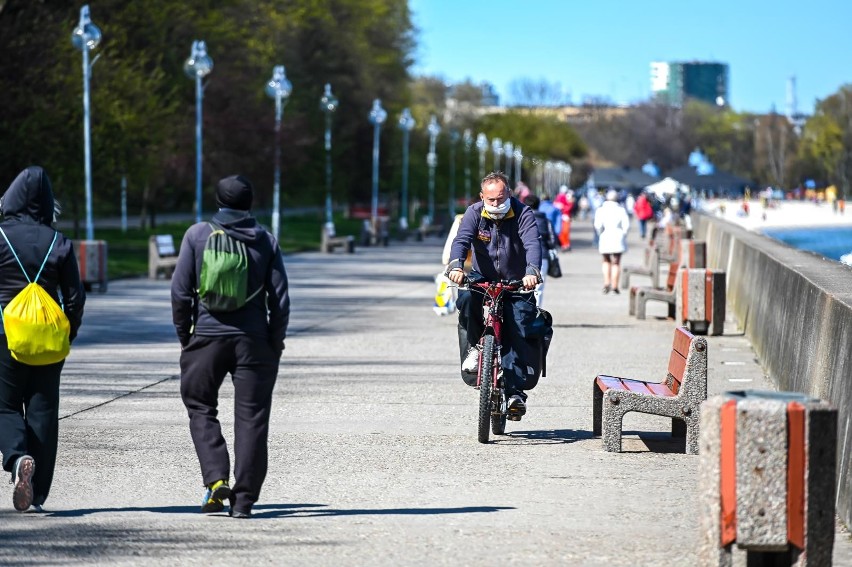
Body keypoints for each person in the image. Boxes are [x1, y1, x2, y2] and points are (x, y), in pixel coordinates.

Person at [171, 174, 289, 519]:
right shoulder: (266, 240)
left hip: (205, 337)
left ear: (218, 200)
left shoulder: (197, 235)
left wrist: (186, 337)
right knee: (252, 419)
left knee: (200, 405)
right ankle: (244, 502)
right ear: (250, 202)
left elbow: (180, 293)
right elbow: (279, 300)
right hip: (254, 342)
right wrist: (274, 343)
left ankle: (216, 478)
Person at [0, 166, 85, 512]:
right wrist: (69, 333)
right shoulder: (59, 242)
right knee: (44, 411)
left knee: (4, 404)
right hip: (49, 339)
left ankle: (18, 458)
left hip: (5, 334)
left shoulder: (0, 237)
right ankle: (39, 490)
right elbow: (75, 297)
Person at [445, 171, 541, 419]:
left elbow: (532, 243)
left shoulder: (523, 213)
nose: (497, 204)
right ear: (482, 197)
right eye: (491, 200)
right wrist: (456, 265)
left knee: (519, 324)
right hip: (482, 277)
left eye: (501, 198)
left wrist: (531, 271)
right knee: (465, 298)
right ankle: (478, 347)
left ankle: (516, 392)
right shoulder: (474, 213)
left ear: (508, 193)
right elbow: (461, 240)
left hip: (516, 280)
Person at [523, 194, 557, 307]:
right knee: (538, 288)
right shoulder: (545, 220)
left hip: (521, 257)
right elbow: (552, 241)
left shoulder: (519, 220)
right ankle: (536, 313)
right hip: (542, 256)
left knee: (520, 287)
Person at [594, 189, 629, 294]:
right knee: (616, 262)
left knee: (606, 260)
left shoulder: (601, 210)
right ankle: (615, 285)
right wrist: (623, 234)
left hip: (606, 235)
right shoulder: (621, 210)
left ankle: (606, 283)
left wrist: (601, 234)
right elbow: (626, 225)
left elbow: (598, 225)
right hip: (618, 236)